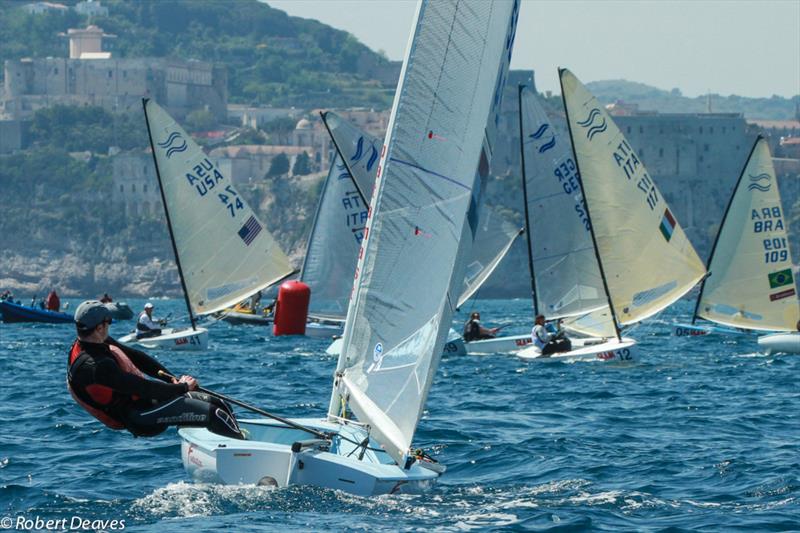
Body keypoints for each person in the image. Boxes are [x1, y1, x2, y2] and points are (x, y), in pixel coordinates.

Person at [67, 300, 243, 439]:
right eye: (109, 322)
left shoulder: (94, 341)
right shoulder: (95, 366)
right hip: (139, 417)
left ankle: (238, 440)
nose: (109, 326)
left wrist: (171, 379)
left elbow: (136, 357)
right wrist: (182, 388)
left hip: (147, 401)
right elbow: (144, 388)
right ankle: (243, 460)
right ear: (99, 327)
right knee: (215, 413)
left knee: (219, 404)